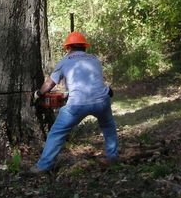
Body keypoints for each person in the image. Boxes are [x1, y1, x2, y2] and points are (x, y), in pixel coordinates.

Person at [31, 31, 119, 173]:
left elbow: (49, 84)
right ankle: (113, 158)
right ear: (85, 47)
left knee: (56, 133)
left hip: (77, 104)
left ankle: (43, 166)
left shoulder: (65, 61)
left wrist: (38, 94)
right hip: (102, 101)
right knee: (108, 127)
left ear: (68, 48)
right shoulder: (94, 59)